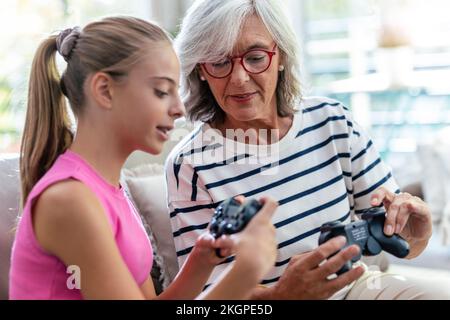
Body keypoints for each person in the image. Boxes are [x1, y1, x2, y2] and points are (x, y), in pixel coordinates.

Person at [166, 0, 448, 299]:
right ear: (200, 70)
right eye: (219, 62)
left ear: (282, 56)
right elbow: (210, 296)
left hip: (359, 288)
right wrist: (283, 294)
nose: (239, 78)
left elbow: (396, 241)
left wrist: (418, 235)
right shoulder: (190, 164)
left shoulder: (333, 120)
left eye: (256, 57)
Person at [9, 16, 279, 300]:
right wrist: (247, 271)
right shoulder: (69, 200)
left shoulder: (107, 189)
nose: (179, 110)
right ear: (104, 90)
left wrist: (201, 261)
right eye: (162, 91)